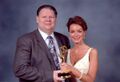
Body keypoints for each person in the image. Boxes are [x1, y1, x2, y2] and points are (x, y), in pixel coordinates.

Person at [13, 4, 70, 82]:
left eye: (51, 17)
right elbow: (20, 69)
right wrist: (50, 75)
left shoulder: (64, 39)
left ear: (56, 19)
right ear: (37, 19)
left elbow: (68, 65)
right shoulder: (26, 40)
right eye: (44, 17)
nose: (48, 19)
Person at [60, 16, 98, 82]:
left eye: (79, 31)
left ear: (84, 33)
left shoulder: (92, 52)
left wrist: (72, 69)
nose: (76, 35)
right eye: (72, 32)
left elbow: (91, 80)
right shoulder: (66, 52)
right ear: (69, 34)